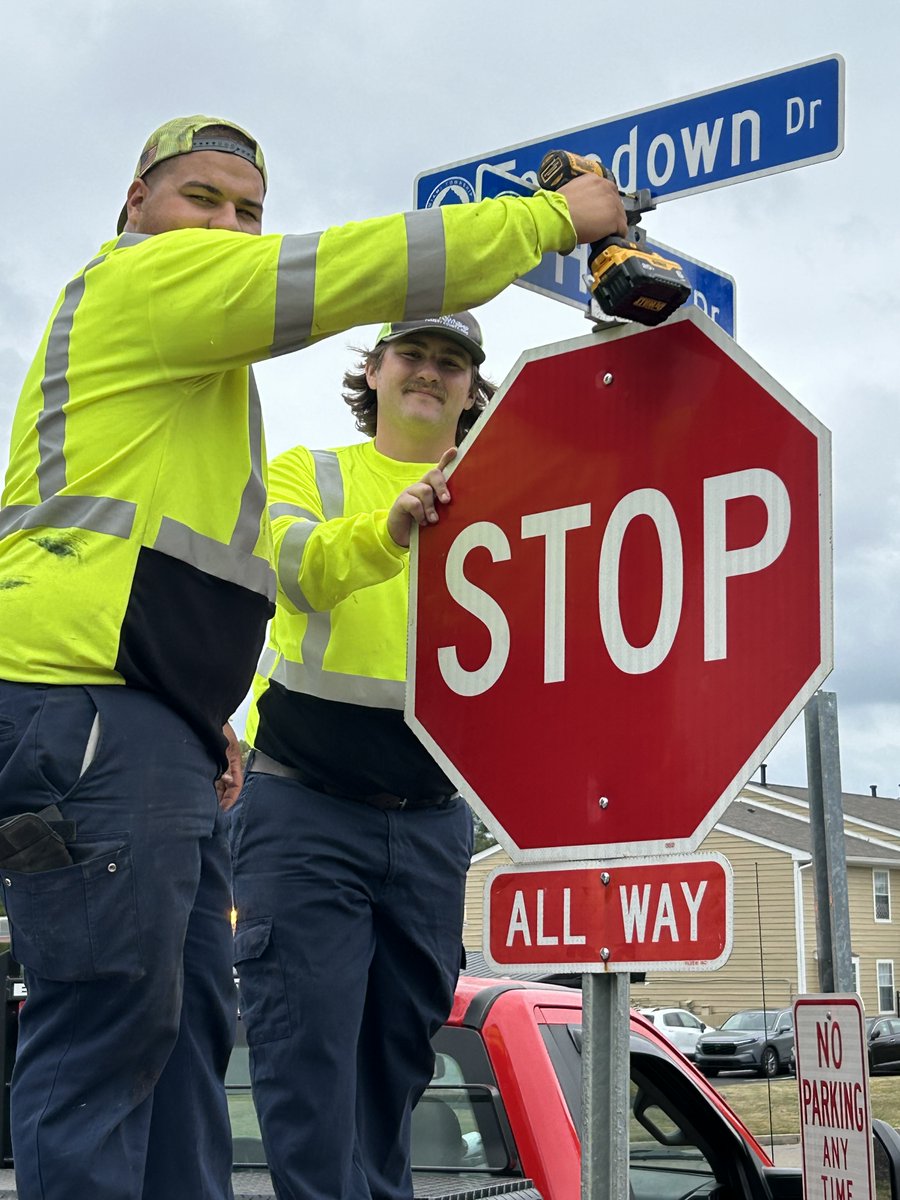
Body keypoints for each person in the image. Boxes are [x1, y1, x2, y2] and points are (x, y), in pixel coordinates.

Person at [0, 113, 625, 1200]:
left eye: (249, 211)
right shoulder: (142, 286)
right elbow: (351, 268)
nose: (229, 226)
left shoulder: (194, 390)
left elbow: (185, 559)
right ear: (134, 206)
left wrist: (206, 728)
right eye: (203, 198)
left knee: (188, 1034)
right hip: (86, 696)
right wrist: (553, 221)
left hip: (163, 728)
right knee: (109, 1031)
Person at [231, 310, 494, 1200]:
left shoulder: (514, 488)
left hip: (433, 821)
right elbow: (294, 566)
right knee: (306, 1057)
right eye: (413, 355)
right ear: (374, 371)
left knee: (398, 1059)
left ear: (472, 387)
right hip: (305, 806)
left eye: (451, 363)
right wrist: (392, 524)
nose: (431, 372)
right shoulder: (311, 472)